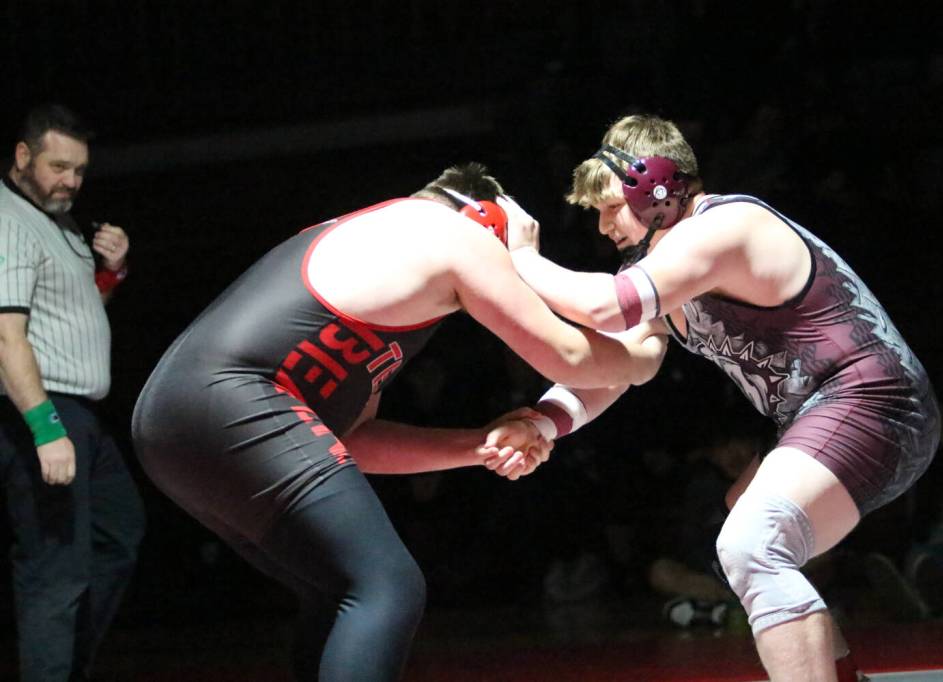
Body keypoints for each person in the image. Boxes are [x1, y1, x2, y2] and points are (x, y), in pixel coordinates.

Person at [130, 163, 664, 682]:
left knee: (335, 589)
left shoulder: (380, 248)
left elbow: (352, 439)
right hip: (237, 400)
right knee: (386, 586)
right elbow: (569, 358)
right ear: (488, 217)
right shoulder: (454, 234)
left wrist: (479, 445)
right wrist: (644, 356)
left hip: (167, 421)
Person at [501, 114, 940, 682]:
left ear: (657, 187)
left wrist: (520, 260)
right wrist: (542, 425)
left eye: (610, 206)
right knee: (748, 522)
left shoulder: (728, 225)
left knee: (754, 541)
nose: (604, 226)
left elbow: (607, 306)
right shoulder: (661, 271)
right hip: (828, 412)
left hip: (876, 400)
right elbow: (620, 367)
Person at [0, 104, 146, 681]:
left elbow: (73, 314)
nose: (72, 181)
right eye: (59, 167)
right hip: (41, 410)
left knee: (118, 535)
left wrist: (111, 271)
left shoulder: (57, 223)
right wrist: (44, 428)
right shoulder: (8, 220)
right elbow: (5, 335)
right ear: (23, 156)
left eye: (80, 170)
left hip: (80, 414)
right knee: (55, 570)